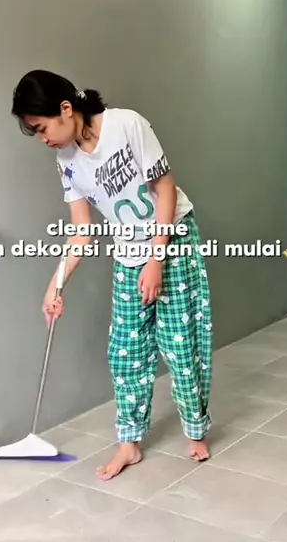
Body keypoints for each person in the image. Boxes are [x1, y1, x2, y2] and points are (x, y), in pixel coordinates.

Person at [11, 69, 213, 480]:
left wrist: (156, 259)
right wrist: (55, 287)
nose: (43, 139)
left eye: (42, 127)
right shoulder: (66, 162)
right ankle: (129, 444)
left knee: (180, 343)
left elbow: (166, 189)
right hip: (129, 252)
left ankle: (196, 430)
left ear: (66, 109)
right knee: (126, 352)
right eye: (35, 133)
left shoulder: (126, 125)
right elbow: (81, 232)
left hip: (171, 238)